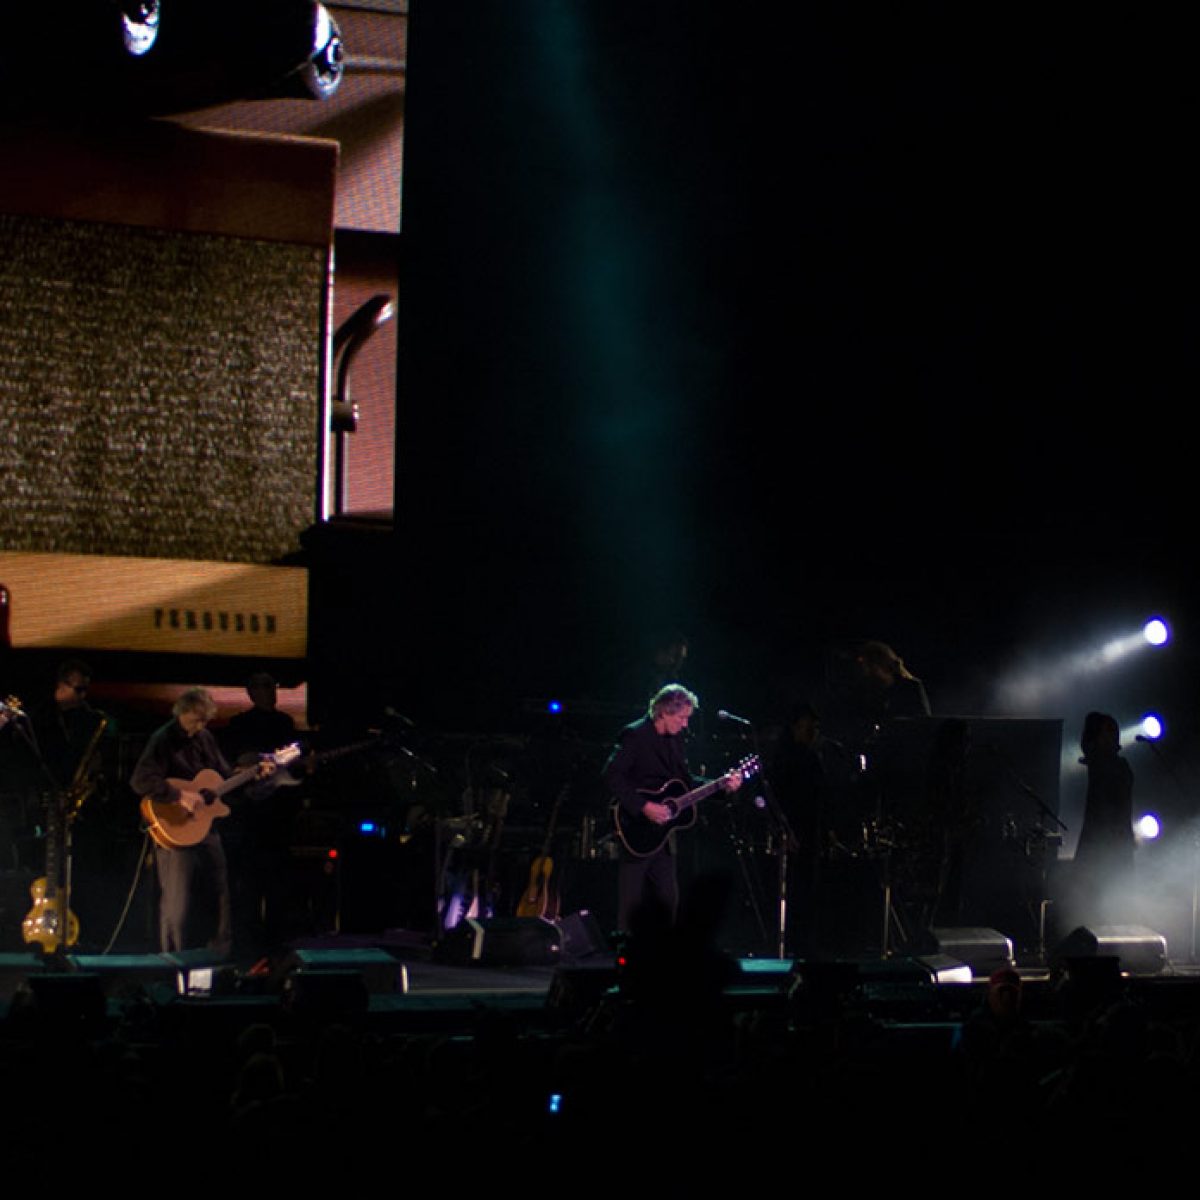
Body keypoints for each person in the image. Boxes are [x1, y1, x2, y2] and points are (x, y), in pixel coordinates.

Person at [131, 687, 273, 956]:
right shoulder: (162, 739)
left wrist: (251, 774)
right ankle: (172, 962)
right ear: (182, 712)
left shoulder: (205, 738)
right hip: (175, 829)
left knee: (220, 894)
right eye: (196, 720)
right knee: (178, 904)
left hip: (206, 828)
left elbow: (222, 777)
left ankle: (218, 958)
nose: (200, 726)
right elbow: (140, 780)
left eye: (205, 721)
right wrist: (178, 795)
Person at [604, 684, 742, 932]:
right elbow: (612, 775)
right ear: (664, 712)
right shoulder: (636, 735)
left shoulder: (674, 739)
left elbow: (686, 782)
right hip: (635, 829)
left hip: (663, 835)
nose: (685, 724)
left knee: (669, 899)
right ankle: (624, 953)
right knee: (630, 904)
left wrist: (722, 785)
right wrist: (644, 806)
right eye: (682, 717)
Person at [1072, 711, 1134, 923]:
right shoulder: (1099, 763)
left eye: (1113, 731)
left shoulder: (1120, 765)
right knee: (1091, 900)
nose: (1112, 736)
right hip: (1098, 840)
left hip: (1118, 840)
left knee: (1117, 903)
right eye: (1106, 732)